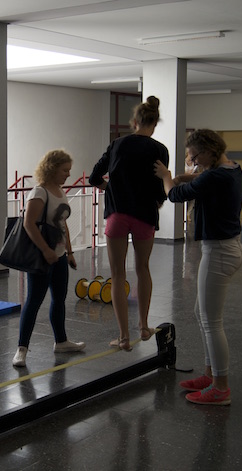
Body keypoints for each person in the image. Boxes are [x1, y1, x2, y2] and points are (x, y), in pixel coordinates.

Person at [154, 129, 242, 406]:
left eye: (195, 157)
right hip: (226, 248)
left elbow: (174, 195)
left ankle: (221, 388)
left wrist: (168, 176)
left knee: (211, 322)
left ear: (209, 151)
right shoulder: (232, 168)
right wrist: (186, 176)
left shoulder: (214, 176)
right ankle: (210, 374)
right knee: (201, 313)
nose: (194, 162)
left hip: (218, 252)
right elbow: (205, 179)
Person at [88, 96, 169, 352]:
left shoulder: (117, 144)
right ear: (154, 124)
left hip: (118, 214)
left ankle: (123, 337)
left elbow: (94, 177)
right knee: (143, 268)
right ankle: (143, 326)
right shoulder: (160, 149)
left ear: (134, 122)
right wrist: (157, 201)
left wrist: (110, 189)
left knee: (118, 274)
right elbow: (160, 186)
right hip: (145, 215)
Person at [12, 150, 86, 367]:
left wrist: (69, 252)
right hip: (42, 256)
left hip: (59, 255)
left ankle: (61, 341)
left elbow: (63, 225)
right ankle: (21, 349)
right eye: (65, 170)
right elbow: (29, 224)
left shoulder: (60, 191)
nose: (68, 174)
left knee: (59, 298)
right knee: (34, 301)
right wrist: (45, 250)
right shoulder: (39, 192)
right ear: (52, 169)